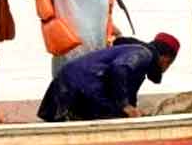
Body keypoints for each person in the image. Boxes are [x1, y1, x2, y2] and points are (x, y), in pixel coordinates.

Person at [37, 33, 181, 122]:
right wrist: (125, 105)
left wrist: (133, 110)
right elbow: (119, 69)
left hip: (68, 83)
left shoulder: (135, 56)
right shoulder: (144, 54)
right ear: (166, 59)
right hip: (79, 88)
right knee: (117, 113)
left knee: (119, 113)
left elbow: (125, 90)